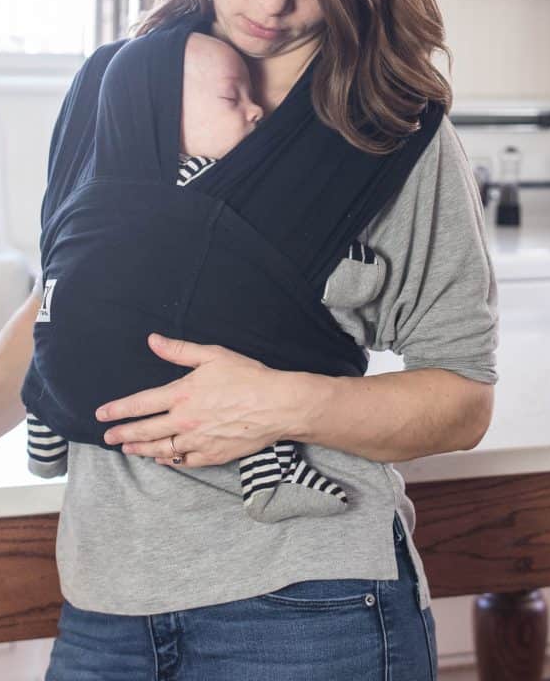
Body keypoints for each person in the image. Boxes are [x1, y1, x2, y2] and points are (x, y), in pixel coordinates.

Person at [0, 0, 499, 680]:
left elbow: (461, 397)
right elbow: (61, 307)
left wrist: (278, 403)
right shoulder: (118, 83)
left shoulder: (389, 129)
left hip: (313, 607)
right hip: (109, 603)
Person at [25, 27, 381, 523]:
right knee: (252, 367)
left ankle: (44, 437)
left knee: (48, 363)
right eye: (231, 97)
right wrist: (354, 267)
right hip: (156, 389)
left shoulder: (91, 185)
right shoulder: (203, 187)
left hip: (75, 387)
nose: (255, 111)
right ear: (170, 122)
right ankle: (270, 476)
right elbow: (279, 255)